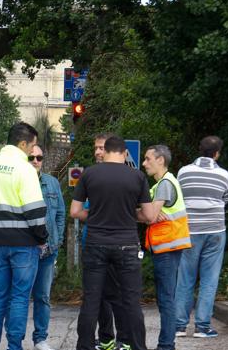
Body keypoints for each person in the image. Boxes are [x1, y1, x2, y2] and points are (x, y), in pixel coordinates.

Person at [71, 136, 155, 350]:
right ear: (125, 153)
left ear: (106, 151)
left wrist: (98, 216)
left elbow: (75, 211)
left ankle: (85, 346)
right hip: (127, 245)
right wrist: (127, 214)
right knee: (131, 302)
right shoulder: (137, 176)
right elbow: (148, 216)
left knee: (91, 300)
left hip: (95, 243)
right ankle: (137, 346)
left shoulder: (89, 173)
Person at [0, 122, 48, 350]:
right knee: (20, 297)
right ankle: (14, 345)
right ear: (23, 143)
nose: (32, 152)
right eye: (32, 146)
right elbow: (35, 211)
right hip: (24, 243)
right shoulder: (25, 169)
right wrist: (42, 237)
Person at [175, 135, 228, 338]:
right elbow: (225, 199)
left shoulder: (184, 172)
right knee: (209, 279)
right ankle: (202, 327)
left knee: (185, 277)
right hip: (215, 231)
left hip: (189, 230)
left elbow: (178, 196)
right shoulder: (224, 175)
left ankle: (179, 326)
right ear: (217, 153)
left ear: (200, 150)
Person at [139, 145, 191, 350]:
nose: (144, 163)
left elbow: (148, 216)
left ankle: (166, 345)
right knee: (166, 298)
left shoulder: (164, 185)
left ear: (160, 160)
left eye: (147, 159)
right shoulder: (161, 184)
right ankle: (167, 344)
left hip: (167, 248)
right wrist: (147, 213)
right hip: (166, 248)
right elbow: (147, 213)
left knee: (166, 299)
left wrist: (146, 214)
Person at [86, 133, 128, 350]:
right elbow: (81, 208)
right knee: (99, 296)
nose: (97, 152)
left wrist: (98, 215)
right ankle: (106, 339)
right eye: (96, 148)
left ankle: (123, 339)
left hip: (116, 244)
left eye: (102, 148)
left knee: (117, 294)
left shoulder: (124, 175)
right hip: (93, 241)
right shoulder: (90, 175)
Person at [29, 145, 66, 350]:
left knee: (43, 296)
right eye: (31, 157)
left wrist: (57, 240)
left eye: (39, 157)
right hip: (25, 250)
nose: (35, 161)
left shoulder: (52, 182)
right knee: (18, 297)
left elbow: (60, 213)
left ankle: (40, 339)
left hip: (49, 251)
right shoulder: (20, 181)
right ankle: (14, 340)